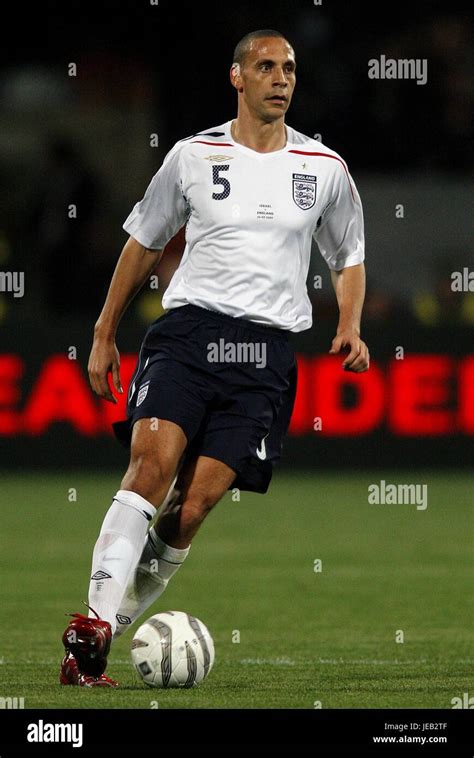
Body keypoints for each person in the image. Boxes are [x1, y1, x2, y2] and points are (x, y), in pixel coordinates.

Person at [59, 29, 369, 688]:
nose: (280, 78)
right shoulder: (192, 156)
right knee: (150, 467)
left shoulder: (324, 169)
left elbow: (347, 255)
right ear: (238, 77)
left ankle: (97, 641)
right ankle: (92, 621)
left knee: (192, 508)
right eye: (266, 66)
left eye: (288, 68)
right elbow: (144, 241)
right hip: (188, 338)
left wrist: (350, 323)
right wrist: (104, 330)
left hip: (266, 358)